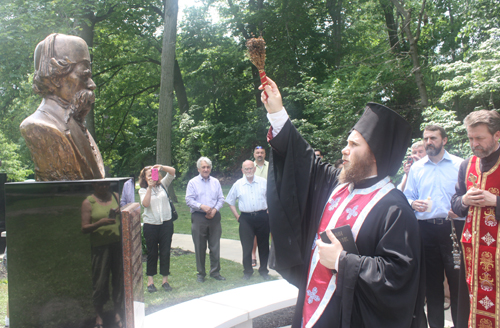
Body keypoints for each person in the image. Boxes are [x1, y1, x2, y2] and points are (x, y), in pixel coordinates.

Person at [259, 77, 424, 328]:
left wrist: (342, 261)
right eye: (347, 143)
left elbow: (399, 275)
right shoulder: (338, 185)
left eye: (353, 144)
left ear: (375, 155)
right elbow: (303, 161)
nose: (344, 150)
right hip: (311, 303)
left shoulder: (395, 209)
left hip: (350, 315)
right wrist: (277, 112)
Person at [20, 33, 105, 181]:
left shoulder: (75, 122)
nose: (92, 85)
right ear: (55, 79)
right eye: (84, 76)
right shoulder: (37, 126)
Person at [403, 125, 464, 328]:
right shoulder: (417, 169)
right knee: (432, 285)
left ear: (444, 140)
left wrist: (461, 209)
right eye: (426, 138)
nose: (429, 142)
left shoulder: (460, 164)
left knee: (458, 284)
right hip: (425, 230)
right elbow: (407, 195)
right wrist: (413, 204)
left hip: (454, 228)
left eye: (433, 138)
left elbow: (468, 195)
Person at [451, 110, 500, 328]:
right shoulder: (467, 165)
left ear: (497, 135)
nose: (474, 144)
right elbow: (455, 204)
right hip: (472, 253)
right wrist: (464, 200)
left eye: (479, 138)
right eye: (471, 138)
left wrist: (495, 201)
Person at [81, 181, 124, 328]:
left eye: (106, 184)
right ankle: (99, 316)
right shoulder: (88, 202)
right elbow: (84, 228)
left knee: (118, 279)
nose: (104, 187)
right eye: (100, 185)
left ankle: (117, 313)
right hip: (100, 248)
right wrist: (100, 223)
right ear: (94, 185)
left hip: (117, 245)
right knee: (100, 282)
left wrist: (121, 210)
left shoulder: (116, 196)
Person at [226, 160, 270, 280]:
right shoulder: (238, 184)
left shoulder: (263, 182)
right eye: (246, 169)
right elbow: (230, 201)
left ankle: (264, 270)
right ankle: (247, 271)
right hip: (245, 219)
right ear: (242, 170)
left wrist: (268, 211)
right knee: (247, 246)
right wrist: (236, 216)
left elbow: (271, 198)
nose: (249, 171)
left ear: (255, 169)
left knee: (264, 245)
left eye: (251, 168)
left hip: (262, 217)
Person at [185, 157, 226, 282]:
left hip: (214, 217)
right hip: (199, 217)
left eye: (208, 167)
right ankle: (200, 274)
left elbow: (221, 199)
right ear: (198, 169)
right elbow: (189, 200)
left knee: (215, 246)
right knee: (200, 246)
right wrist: (201, 206)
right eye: (203, 167)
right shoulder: (192, 183)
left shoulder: (215, 182)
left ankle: (215, 272)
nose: (206, 169)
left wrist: (214, 210)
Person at [138, 165, 176, 293]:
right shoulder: (143, 190)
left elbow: (172, 172)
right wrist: (149, 187)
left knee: (165, 252)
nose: (151, 176)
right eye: (148, 175)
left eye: (152, 174)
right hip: (151, 225)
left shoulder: (163, 185)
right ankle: (150, 282)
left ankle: (165, 280)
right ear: (144, 178)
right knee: (152, 253)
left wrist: (162, 167)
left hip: (166, 224)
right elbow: (145, 204)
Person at [252, 146, 269, 266]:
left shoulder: (271, 166)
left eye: (262, 152)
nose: (260, 154)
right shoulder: (249, 166)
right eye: (257, 152)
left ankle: (273, 254)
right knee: (254, 233)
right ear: (254, 154)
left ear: (265, 154)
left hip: (269, 203)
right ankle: (253, 255)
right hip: (255, 204)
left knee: (272, 230)